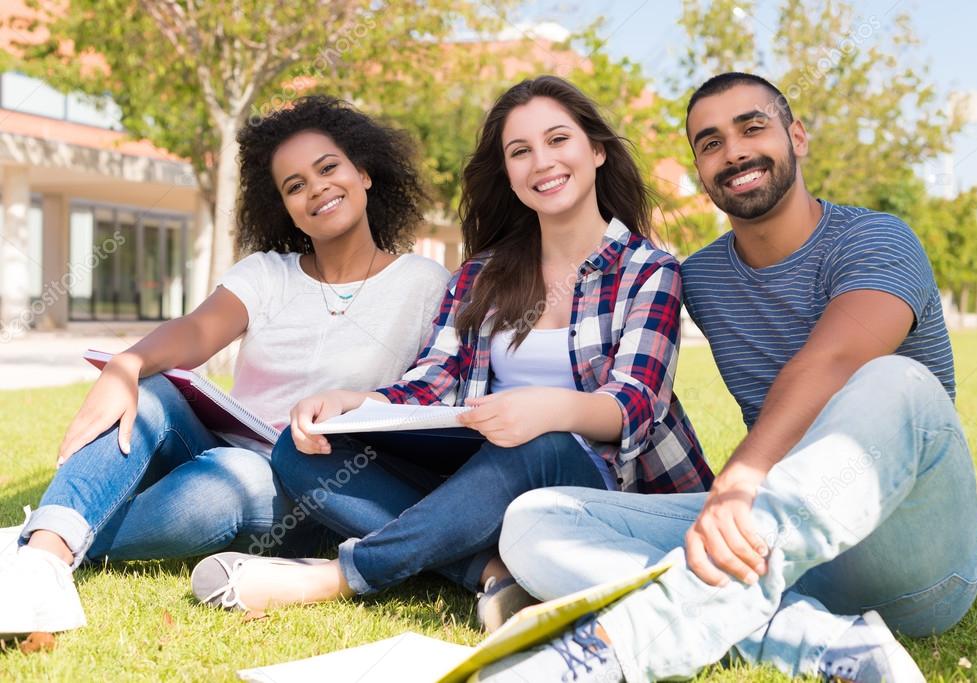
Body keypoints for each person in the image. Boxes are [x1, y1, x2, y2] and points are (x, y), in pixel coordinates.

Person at [476, 72, 977, 682]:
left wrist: (739, 479)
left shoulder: (878, 239)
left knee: (895, 381)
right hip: (776, 549)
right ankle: (813, 638)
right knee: (536, 518)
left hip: (907, 553)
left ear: (797, 136)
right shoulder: (704, 279)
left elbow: (832, 361)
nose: (734, 151)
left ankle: (624, 644)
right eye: (710, 143)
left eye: (753, 127)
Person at [189, 75, 714, 631]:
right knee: (303, 452)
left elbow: (634, 404)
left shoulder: (647, 270)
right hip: (484, 473)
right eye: (520, 151)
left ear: (597, 151)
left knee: (538, 444)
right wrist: (354, 402)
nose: (542, 162)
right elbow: (433, 383)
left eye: (558, 141)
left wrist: (547, 409)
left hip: (596, 480)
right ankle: (489, 570)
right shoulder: (481, 275)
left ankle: (335, 578)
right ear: (509, 175)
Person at [0, 95, 451, 639]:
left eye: (328, 168)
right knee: (154, 389)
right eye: (295, 185)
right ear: (282, 206)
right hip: (223, 440)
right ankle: (43, 559)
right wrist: (126, 364)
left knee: (236, 477)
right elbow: (196, 331)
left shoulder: (426, 283)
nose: (317, 189)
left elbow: (431, 393)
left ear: (364, 173)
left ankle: (35, 537)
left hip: (313, 482)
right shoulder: (267, 273)